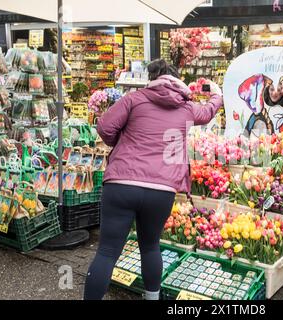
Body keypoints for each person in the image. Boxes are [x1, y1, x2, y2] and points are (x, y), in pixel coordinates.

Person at [83, 59, 223, 300]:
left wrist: (123, 145)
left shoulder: (134, 99)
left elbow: (105, 127)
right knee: (150, 246)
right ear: (177, 80)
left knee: (106, 251)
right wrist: (217, 94)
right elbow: (209, 112)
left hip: (121, 184)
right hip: (161, 189)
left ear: (151, 78)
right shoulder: (186, 108)